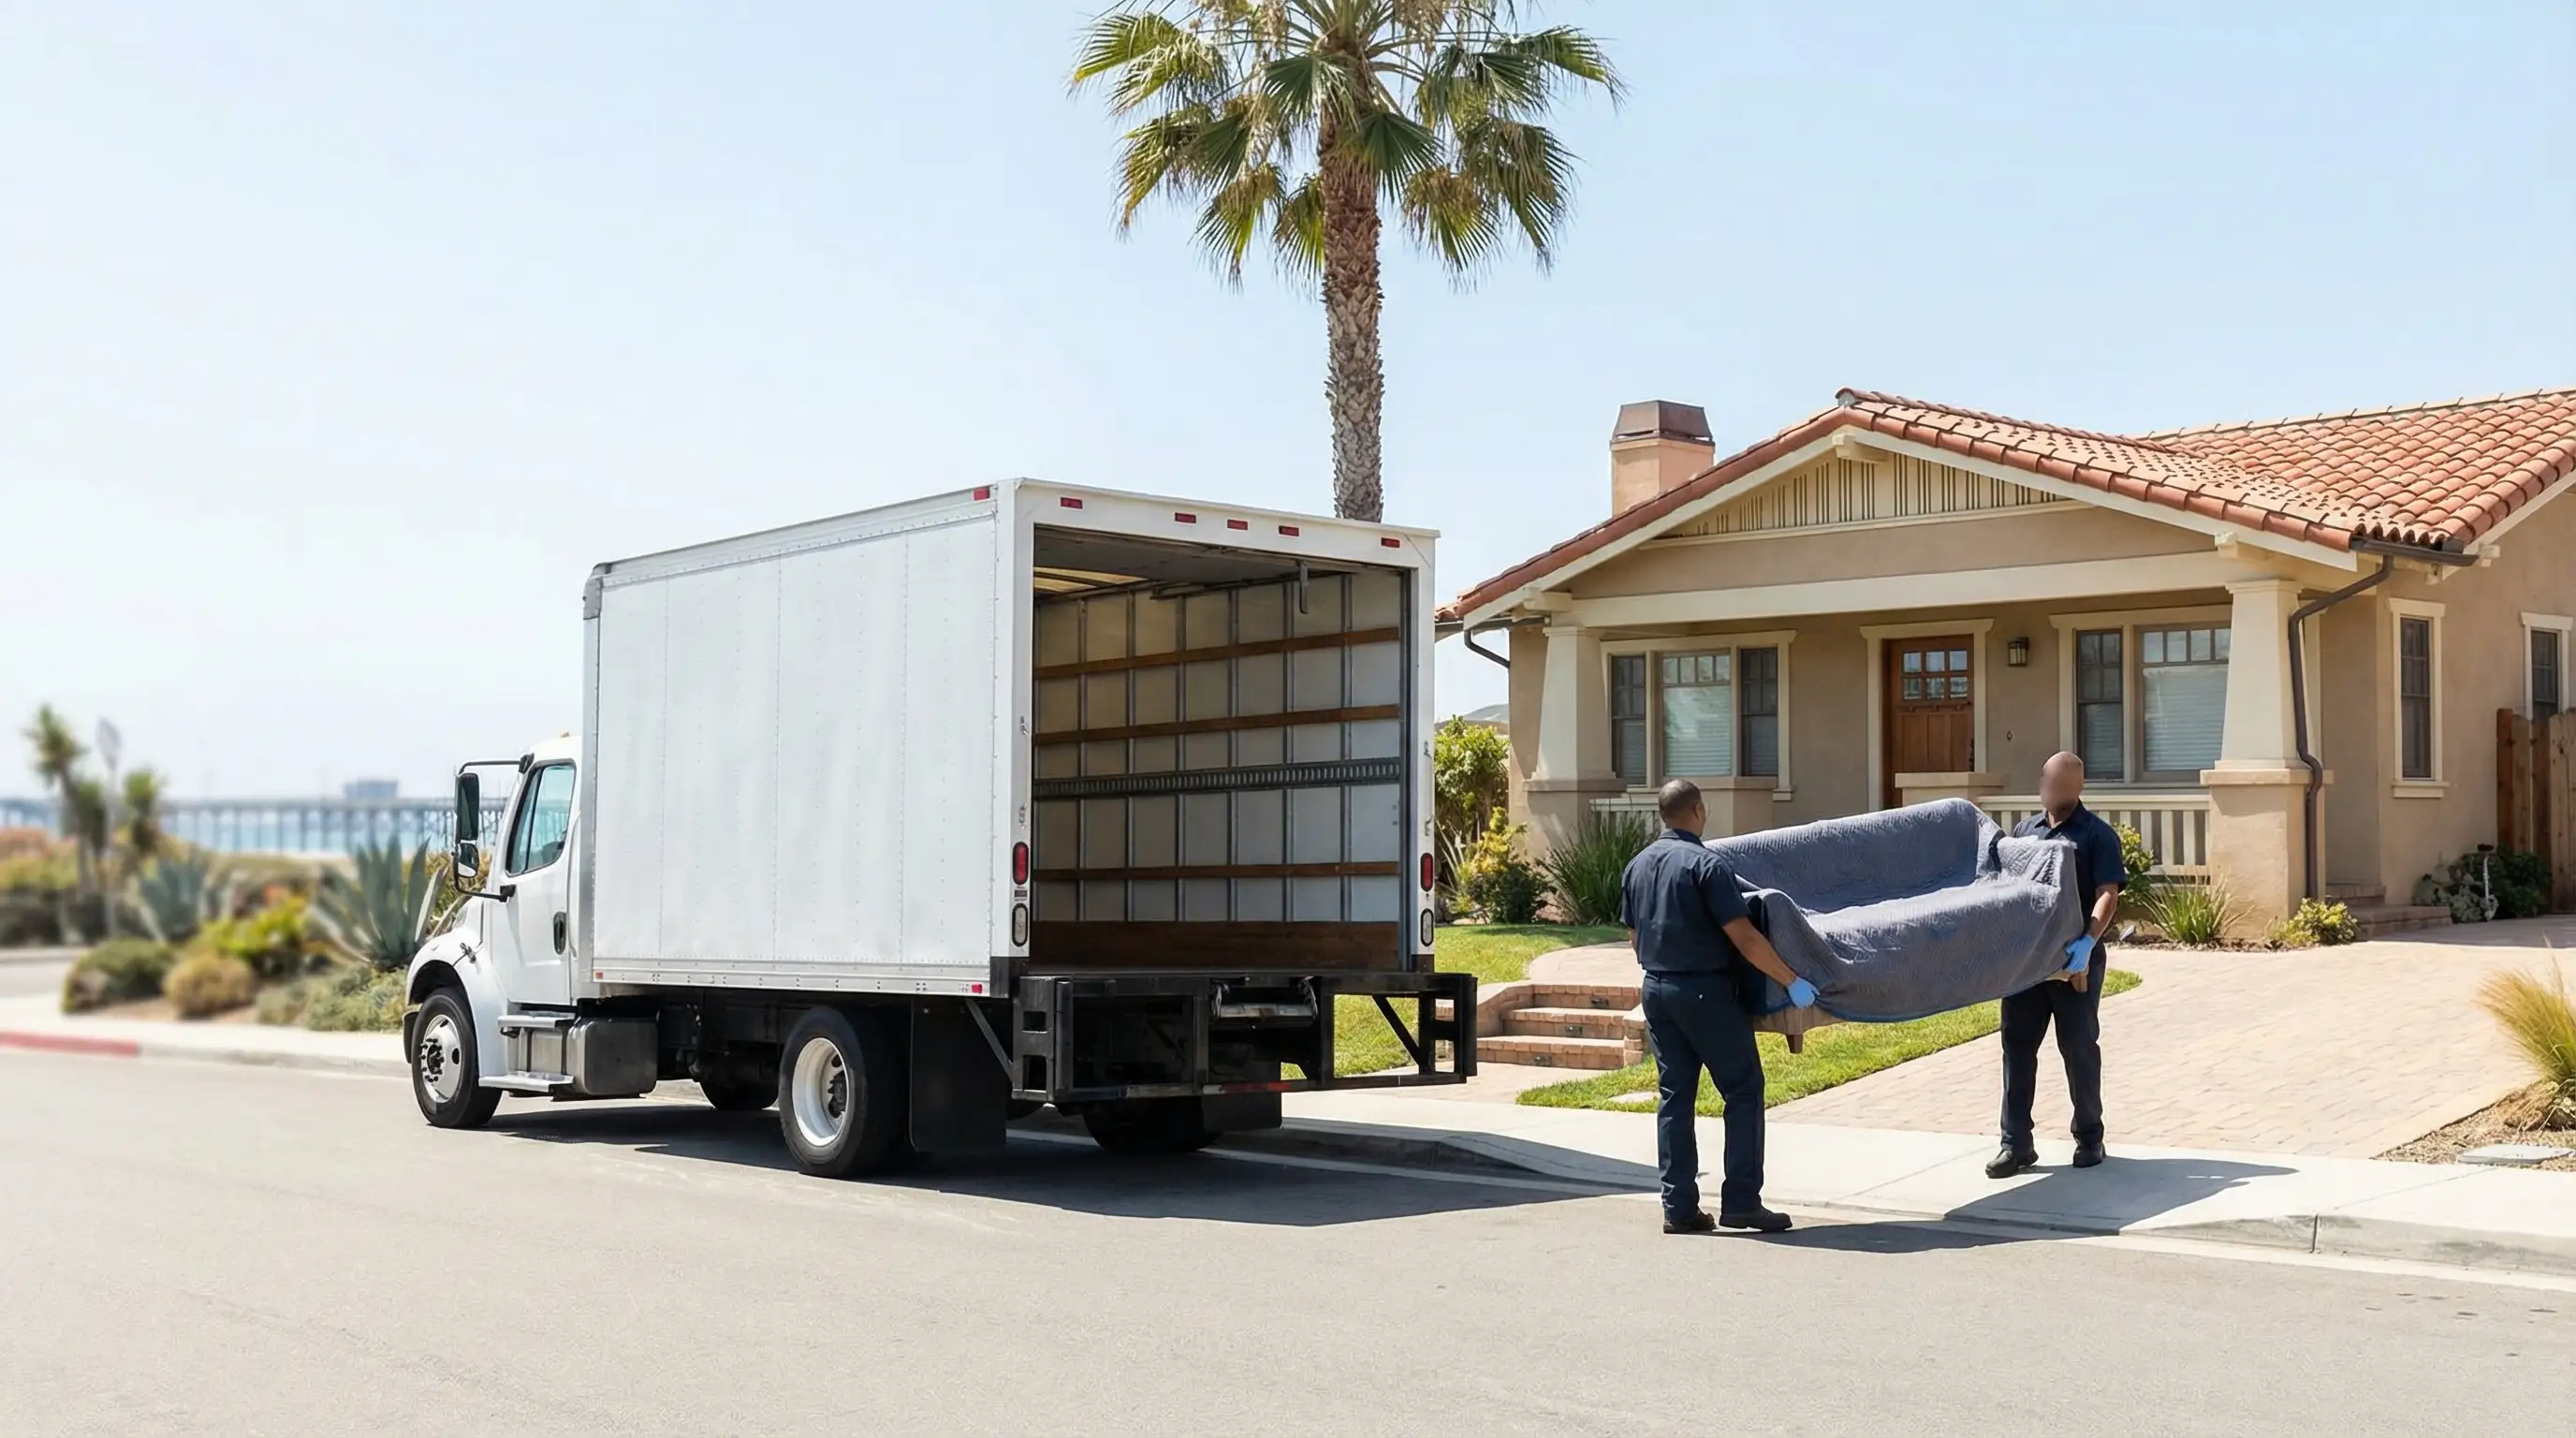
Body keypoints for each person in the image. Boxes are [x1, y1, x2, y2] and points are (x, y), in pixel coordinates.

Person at [1619, 778, 1813, 1235]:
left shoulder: (1637, 866)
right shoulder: (1706, 865)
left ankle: (1679, 1208)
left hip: (1656, 989)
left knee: (1675, 1096)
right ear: (1698, 811)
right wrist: (1792, 981)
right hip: (1704, 991)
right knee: (1743, 1089)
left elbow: (1634, 936)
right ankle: (1742, 1203)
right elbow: (1744, 936)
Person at [1988, 751, 2128, 1178]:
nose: (2053, 790)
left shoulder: (2097, 835)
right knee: (2017, 1048)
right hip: (2028, 964)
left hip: (2075, 963)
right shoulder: (2024, 832)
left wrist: (2088, 941)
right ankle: (2015, 1144)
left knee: (2079, 1048)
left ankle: (2089, 1137)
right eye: (2049, 782)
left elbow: (2108, 893)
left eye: (2062, 784)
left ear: (2079, 787)